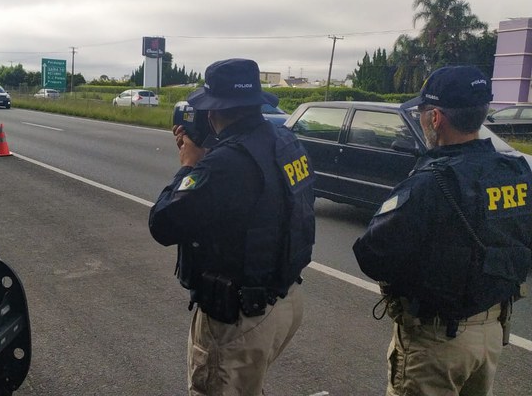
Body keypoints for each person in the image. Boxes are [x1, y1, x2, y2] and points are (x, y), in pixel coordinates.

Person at [353, 65, 532, 396]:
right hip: (491, 332)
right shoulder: (517, 170)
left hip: (438, 342)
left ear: (435, 118)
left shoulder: (432, 181)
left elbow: (372, 254)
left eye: (423, 112)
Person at [148, 58, 316, 395]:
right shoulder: (283, 141)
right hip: (283, 302)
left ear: (213, 113)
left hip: (240, 319)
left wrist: (189, 167)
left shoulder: (223, 165)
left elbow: (163, 223)